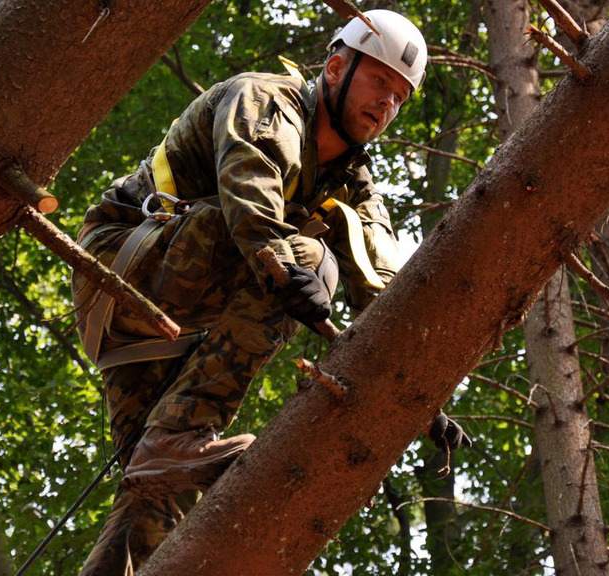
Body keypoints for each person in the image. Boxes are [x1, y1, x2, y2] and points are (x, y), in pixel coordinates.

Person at [72, 10, 470, 575]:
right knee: (306, 259)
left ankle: (164, 463)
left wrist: (420, 401)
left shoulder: (354, 188)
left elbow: (383, 293)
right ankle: (182, 432)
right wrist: (291, 273)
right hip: (125, 268)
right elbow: (250, 204)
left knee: (158, 490)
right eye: (380, 81)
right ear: (335, 67)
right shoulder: (267, 100)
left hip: (165, 321)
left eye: (400, 96)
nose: (388, 103)